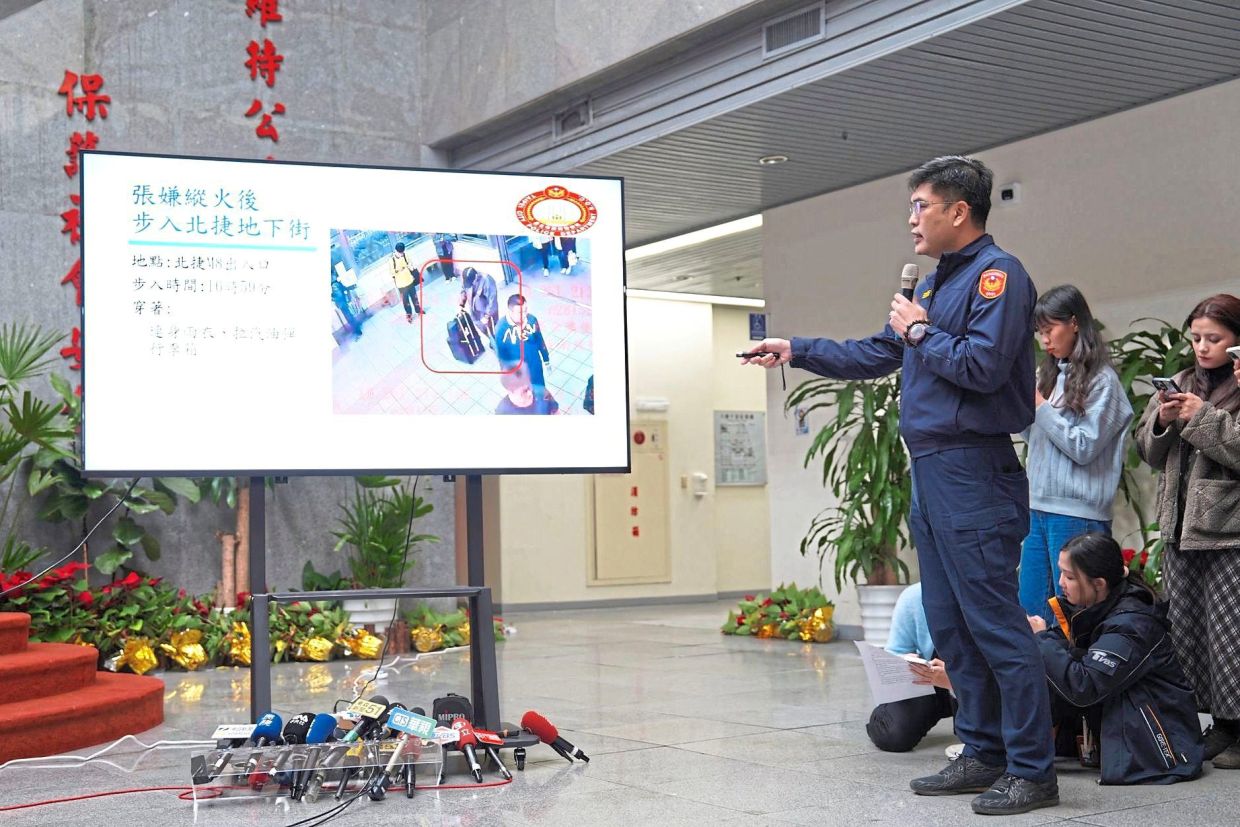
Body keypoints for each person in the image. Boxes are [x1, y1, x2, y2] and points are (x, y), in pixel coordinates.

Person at [744, 155, 1057, 815]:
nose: (912, 218)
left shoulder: (999, 277)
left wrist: (918, 328)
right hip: (934, 470)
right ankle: (982, 749)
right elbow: (880, 352)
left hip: (975, 466)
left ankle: (1033, 768)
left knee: (997, 625)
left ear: (958, 211)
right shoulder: (941, 285)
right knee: (949, 623)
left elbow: (980, 364)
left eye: (921, 205)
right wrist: (796, 348)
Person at [1134, 293, 1240, 768]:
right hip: (1179, 528)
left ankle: (1239, 726)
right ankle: (1219, 723)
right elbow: (1147, 451)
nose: (1201, 347)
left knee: (1230, 634)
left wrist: (1200, 415)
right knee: (1190, 632)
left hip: (1229, 529)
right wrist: (1161, 418)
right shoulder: (1177, 382)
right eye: (1196, 337)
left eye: (1214, 339)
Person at [1028, 533, 1204, 784]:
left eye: (1069, 576)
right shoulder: (1091, 604)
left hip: (1164, 750)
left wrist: (1041, 639)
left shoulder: (1132, 624)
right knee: (1046, 661)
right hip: (1116, 724)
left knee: (1055, 660)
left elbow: (1084, 687)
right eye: (1061, 573)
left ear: (1099, 583)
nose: (1061, 583)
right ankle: (1006, 746)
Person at [1019, 285, 1133, 623]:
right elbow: (1036, 438)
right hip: (1038, 507)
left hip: (1077, 514)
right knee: (1030, 612)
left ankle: (1077, 677)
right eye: (1039, 333)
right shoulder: (1049, 375)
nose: (1045, 341)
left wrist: (1040, 407)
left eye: (1049, 329)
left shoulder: (1104, 382)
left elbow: (1083, 447)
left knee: (1074, 617)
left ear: (1074, 323)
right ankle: (1041, 678)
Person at [866, 583, 957, 753]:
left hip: (980, 684)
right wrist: (906, 661)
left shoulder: (994, 592)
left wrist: (957, 681)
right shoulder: (915, 596)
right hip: (930, 680)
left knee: (986, 741)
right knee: (893, 733)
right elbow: (895, 652)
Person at [496, 294, 550, 401]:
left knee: (540, 390)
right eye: (520, 312)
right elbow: (502, 355)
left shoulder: (532, 320)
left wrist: (546, 358)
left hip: (535, 366)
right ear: (510, 311)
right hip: (519, 373)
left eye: (525, 310)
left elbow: (539, 340)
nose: (524, 315)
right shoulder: (501, 328)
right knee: (525, 396)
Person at [459, 267, 499, 346]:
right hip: (475, 311)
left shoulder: (487, 280)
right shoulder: (467, 279)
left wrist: (487, 316)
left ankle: (498, 346)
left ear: (476, 277)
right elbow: (464, 290)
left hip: (487, 312)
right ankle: (492, 340)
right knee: (482, 328)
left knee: (493, 330)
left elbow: (492, 300)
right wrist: (461, 304)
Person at [390, 242, 422, 321]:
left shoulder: (405, 255)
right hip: (401, 284)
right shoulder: (392, 260)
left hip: (409, 280)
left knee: (415, 297)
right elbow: (392, 273)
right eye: (399, 252)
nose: (401, 254)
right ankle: (409, 316)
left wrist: (412, 269)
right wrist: (400, 269)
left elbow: (410, 264)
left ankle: (418, 310)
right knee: (405, 301)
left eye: (402, 252)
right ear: (396, 251)